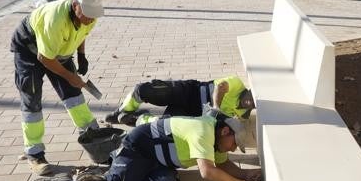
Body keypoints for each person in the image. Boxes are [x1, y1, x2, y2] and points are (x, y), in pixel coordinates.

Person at [28, 110, 262, 181]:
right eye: (234, 144)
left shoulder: (218, 142)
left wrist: (249, 175)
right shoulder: (203, 131)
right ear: (224, 132)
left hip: (160, 161)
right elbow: (207, 171)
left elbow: (224, 165)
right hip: (139, 148)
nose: (232, 149)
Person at [13, 0, 104, 176]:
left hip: (57, 49)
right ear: (75, 4)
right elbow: (45, 58)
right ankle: (35, 153)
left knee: (74, 95)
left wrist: (81, 55)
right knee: (32, 97)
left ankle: (92, 136)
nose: (90, 19)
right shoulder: (55, 19)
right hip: (30, 49)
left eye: (93, 15)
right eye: (86, 14)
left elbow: (81, 33)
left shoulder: (89, 17)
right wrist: (71, 76)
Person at [105, 75, 254, 126]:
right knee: (145, 90)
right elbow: (220, 87)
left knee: (165, 125)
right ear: (250, 90)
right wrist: (216, 108)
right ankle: (123, 110)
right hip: (189, 91)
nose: (250, 102)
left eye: (254, 104)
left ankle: (136, 119)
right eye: (251, 98)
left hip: (193, 113)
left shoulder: (244, 113)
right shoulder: (237, 83)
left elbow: (237, 127)